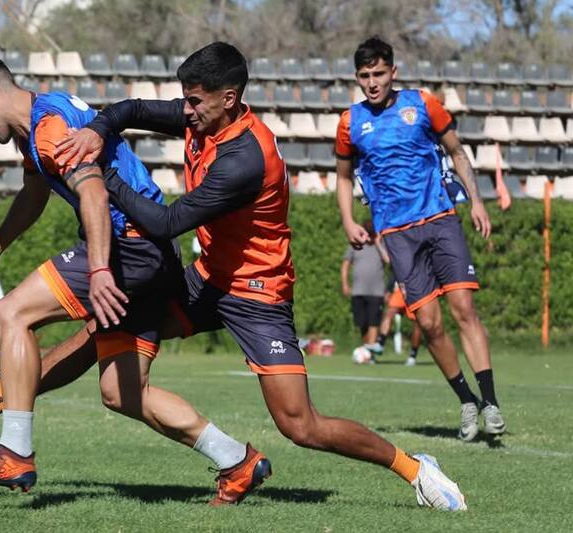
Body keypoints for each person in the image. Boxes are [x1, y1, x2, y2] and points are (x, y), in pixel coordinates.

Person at [52, 41, 467, 511]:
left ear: (228, 98)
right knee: (111, 324)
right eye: (184, 99)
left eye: (194, 101)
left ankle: (415, 468)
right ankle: (7, 404)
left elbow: (167, 223)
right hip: (209, 277)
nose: (185, 110)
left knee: (300, 425)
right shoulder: (201, 115)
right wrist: (98, 130)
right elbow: (130, 109)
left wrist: (101, 178)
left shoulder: (245, 156)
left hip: (258, 292)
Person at [0, 51, 269, 505]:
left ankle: (14, 450)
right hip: (153, 254)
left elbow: (93, 194)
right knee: (122, 392)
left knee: (12, 311)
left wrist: (98, 270)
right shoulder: (39, 120)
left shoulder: (49, 128)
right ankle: (237, 460)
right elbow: (34, 193)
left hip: (128, 248)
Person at [335, 36, 506, 443]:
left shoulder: (423, 104)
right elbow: (342, 177)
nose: (372, 82)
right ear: (357, 78)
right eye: (364, 75)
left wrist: (477, 202)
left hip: (441, 218)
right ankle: (466, 400)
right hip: (397, 234)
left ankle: (490, 401)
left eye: (379, 73)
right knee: (428, 323)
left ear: (393, 72)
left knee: (464, 308)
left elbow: (457, 152)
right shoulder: (350, 123)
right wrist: (348, 220)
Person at [340, 219, 388, 359]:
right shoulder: (356, 244)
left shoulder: (382, 245)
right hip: (358, 291)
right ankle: (367, 350)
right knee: (362, 323)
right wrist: (345, 284)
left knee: (374, 322)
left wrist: (378, 243)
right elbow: (345, 265)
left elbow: (388, 261)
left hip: (377, 291)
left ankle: (370, 353)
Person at [378, 280, 423, 366]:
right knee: (390, 312)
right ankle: (381, 343)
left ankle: (413, 355)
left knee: (417, 322)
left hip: (416, 287)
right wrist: (389, 289)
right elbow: (395, 272)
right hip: (402, 287)